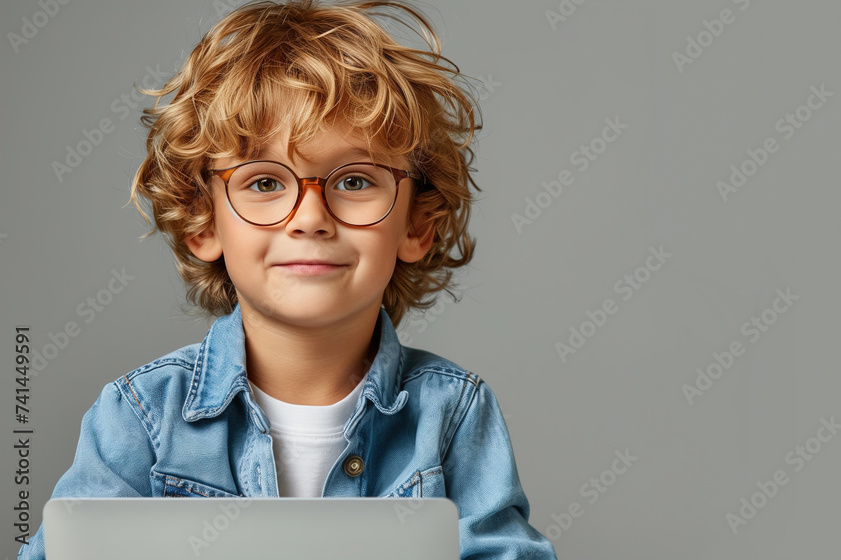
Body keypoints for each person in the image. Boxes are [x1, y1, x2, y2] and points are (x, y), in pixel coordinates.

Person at [18, 1, 558, 558]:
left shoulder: (453, 414)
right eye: (264, 183)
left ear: (416, 224)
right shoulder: (140, 415)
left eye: (353, 180)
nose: (310, 218)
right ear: (203, 221)